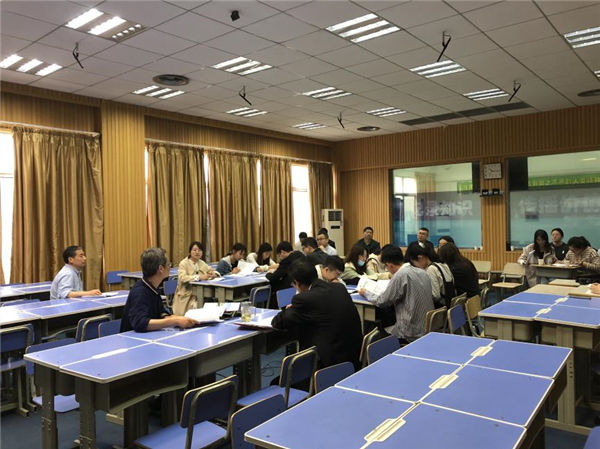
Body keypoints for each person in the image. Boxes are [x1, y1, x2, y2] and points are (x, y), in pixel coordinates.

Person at [271, 259, 362, 370]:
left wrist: (290, 309)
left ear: (297, 283)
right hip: (355, 359)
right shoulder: (339, 287)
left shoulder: (304, 299)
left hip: (330, 366)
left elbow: (277, 322)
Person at [360, 246, 433, 343]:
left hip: (411, 332)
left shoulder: (400, 275)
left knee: (375, 332)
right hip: (428, 327)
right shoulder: (422, 272)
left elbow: (382, 301)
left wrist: (366, 293)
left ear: (389, 265)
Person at [121, 248, 197, 332]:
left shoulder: (154, 288)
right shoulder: (140, 292)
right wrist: (174, 321)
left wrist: (180, 318)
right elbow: (140, 323)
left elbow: (161, 312)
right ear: (161, 269)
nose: (170, 267)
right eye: (168, 264)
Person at [172, 241, 218, 316]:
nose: (197, 252)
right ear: (190, 252)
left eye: (199, 250)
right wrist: (199, 277)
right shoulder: (184, 263)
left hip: (201, 293)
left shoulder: (201, 263)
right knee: (197, 307)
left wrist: (214, 274)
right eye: (194, 250)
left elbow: (211, 270)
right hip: (187, 295)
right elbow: (182, 278)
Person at [406, 243, 454, 308]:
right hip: (450, 304)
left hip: (441, 308)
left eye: (414, 264)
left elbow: (435, 296)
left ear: (420, 258)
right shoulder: (443, 265)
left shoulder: (431, 269)